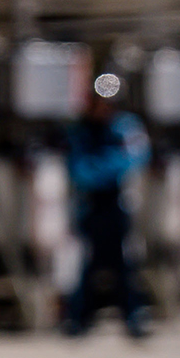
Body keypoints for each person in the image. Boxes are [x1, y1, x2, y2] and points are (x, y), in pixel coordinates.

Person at [63, 76, 151, 337]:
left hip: (117, 204)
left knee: (124, 263)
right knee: (87, 264)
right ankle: (78, 319)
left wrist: (101, 170)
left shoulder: (127, 127)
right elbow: (78, 170)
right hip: (89, 206)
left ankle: (133, 317)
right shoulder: (81, 131)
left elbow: (135, 158)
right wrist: (105, 170)